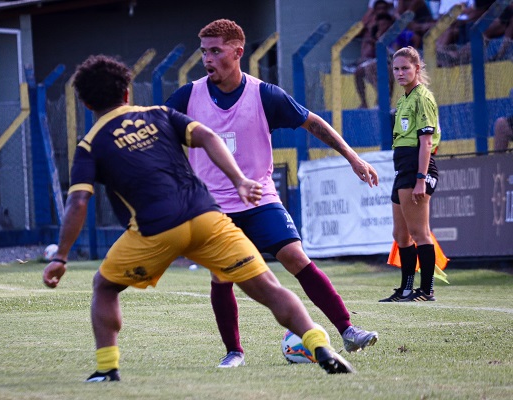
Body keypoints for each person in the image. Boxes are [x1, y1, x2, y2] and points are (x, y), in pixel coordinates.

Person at [42, 54, 356, 381]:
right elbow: (208, 137)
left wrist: (61, 257)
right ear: (126, 93)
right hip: (206, 215)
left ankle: (107, 368)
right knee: (268, 287)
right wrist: (239, 180)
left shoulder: (90, 145)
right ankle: (318, 344)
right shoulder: (160, 114)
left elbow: (78, 201)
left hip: (155, 230)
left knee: (105, 286)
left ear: (85, 103)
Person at [165, 19, 380, 368]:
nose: (207, 59)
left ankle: (348, 330)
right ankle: (234, 352)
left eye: (215, 51)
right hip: (213, 206)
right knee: (222, 273)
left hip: (259, 198)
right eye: (204, 52)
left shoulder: (264, 94)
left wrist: (353, 157)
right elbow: (161, 133)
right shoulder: (188, 96)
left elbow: (313, 122)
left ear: (238, 52)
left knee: (295, 256)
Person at [379, 46, 441, 302]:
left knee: (419, 232)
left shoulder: (422, 97)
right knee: (400, 235)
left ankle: (426, 290)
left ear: (417, 68)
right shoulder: (403, 99)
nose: (400, 73)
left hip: (417, 170)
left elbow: (426, 142)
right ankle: (405, 289)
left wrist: (420, 178)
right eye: (396, 69)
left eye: (405, 68)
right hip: (403, 169)